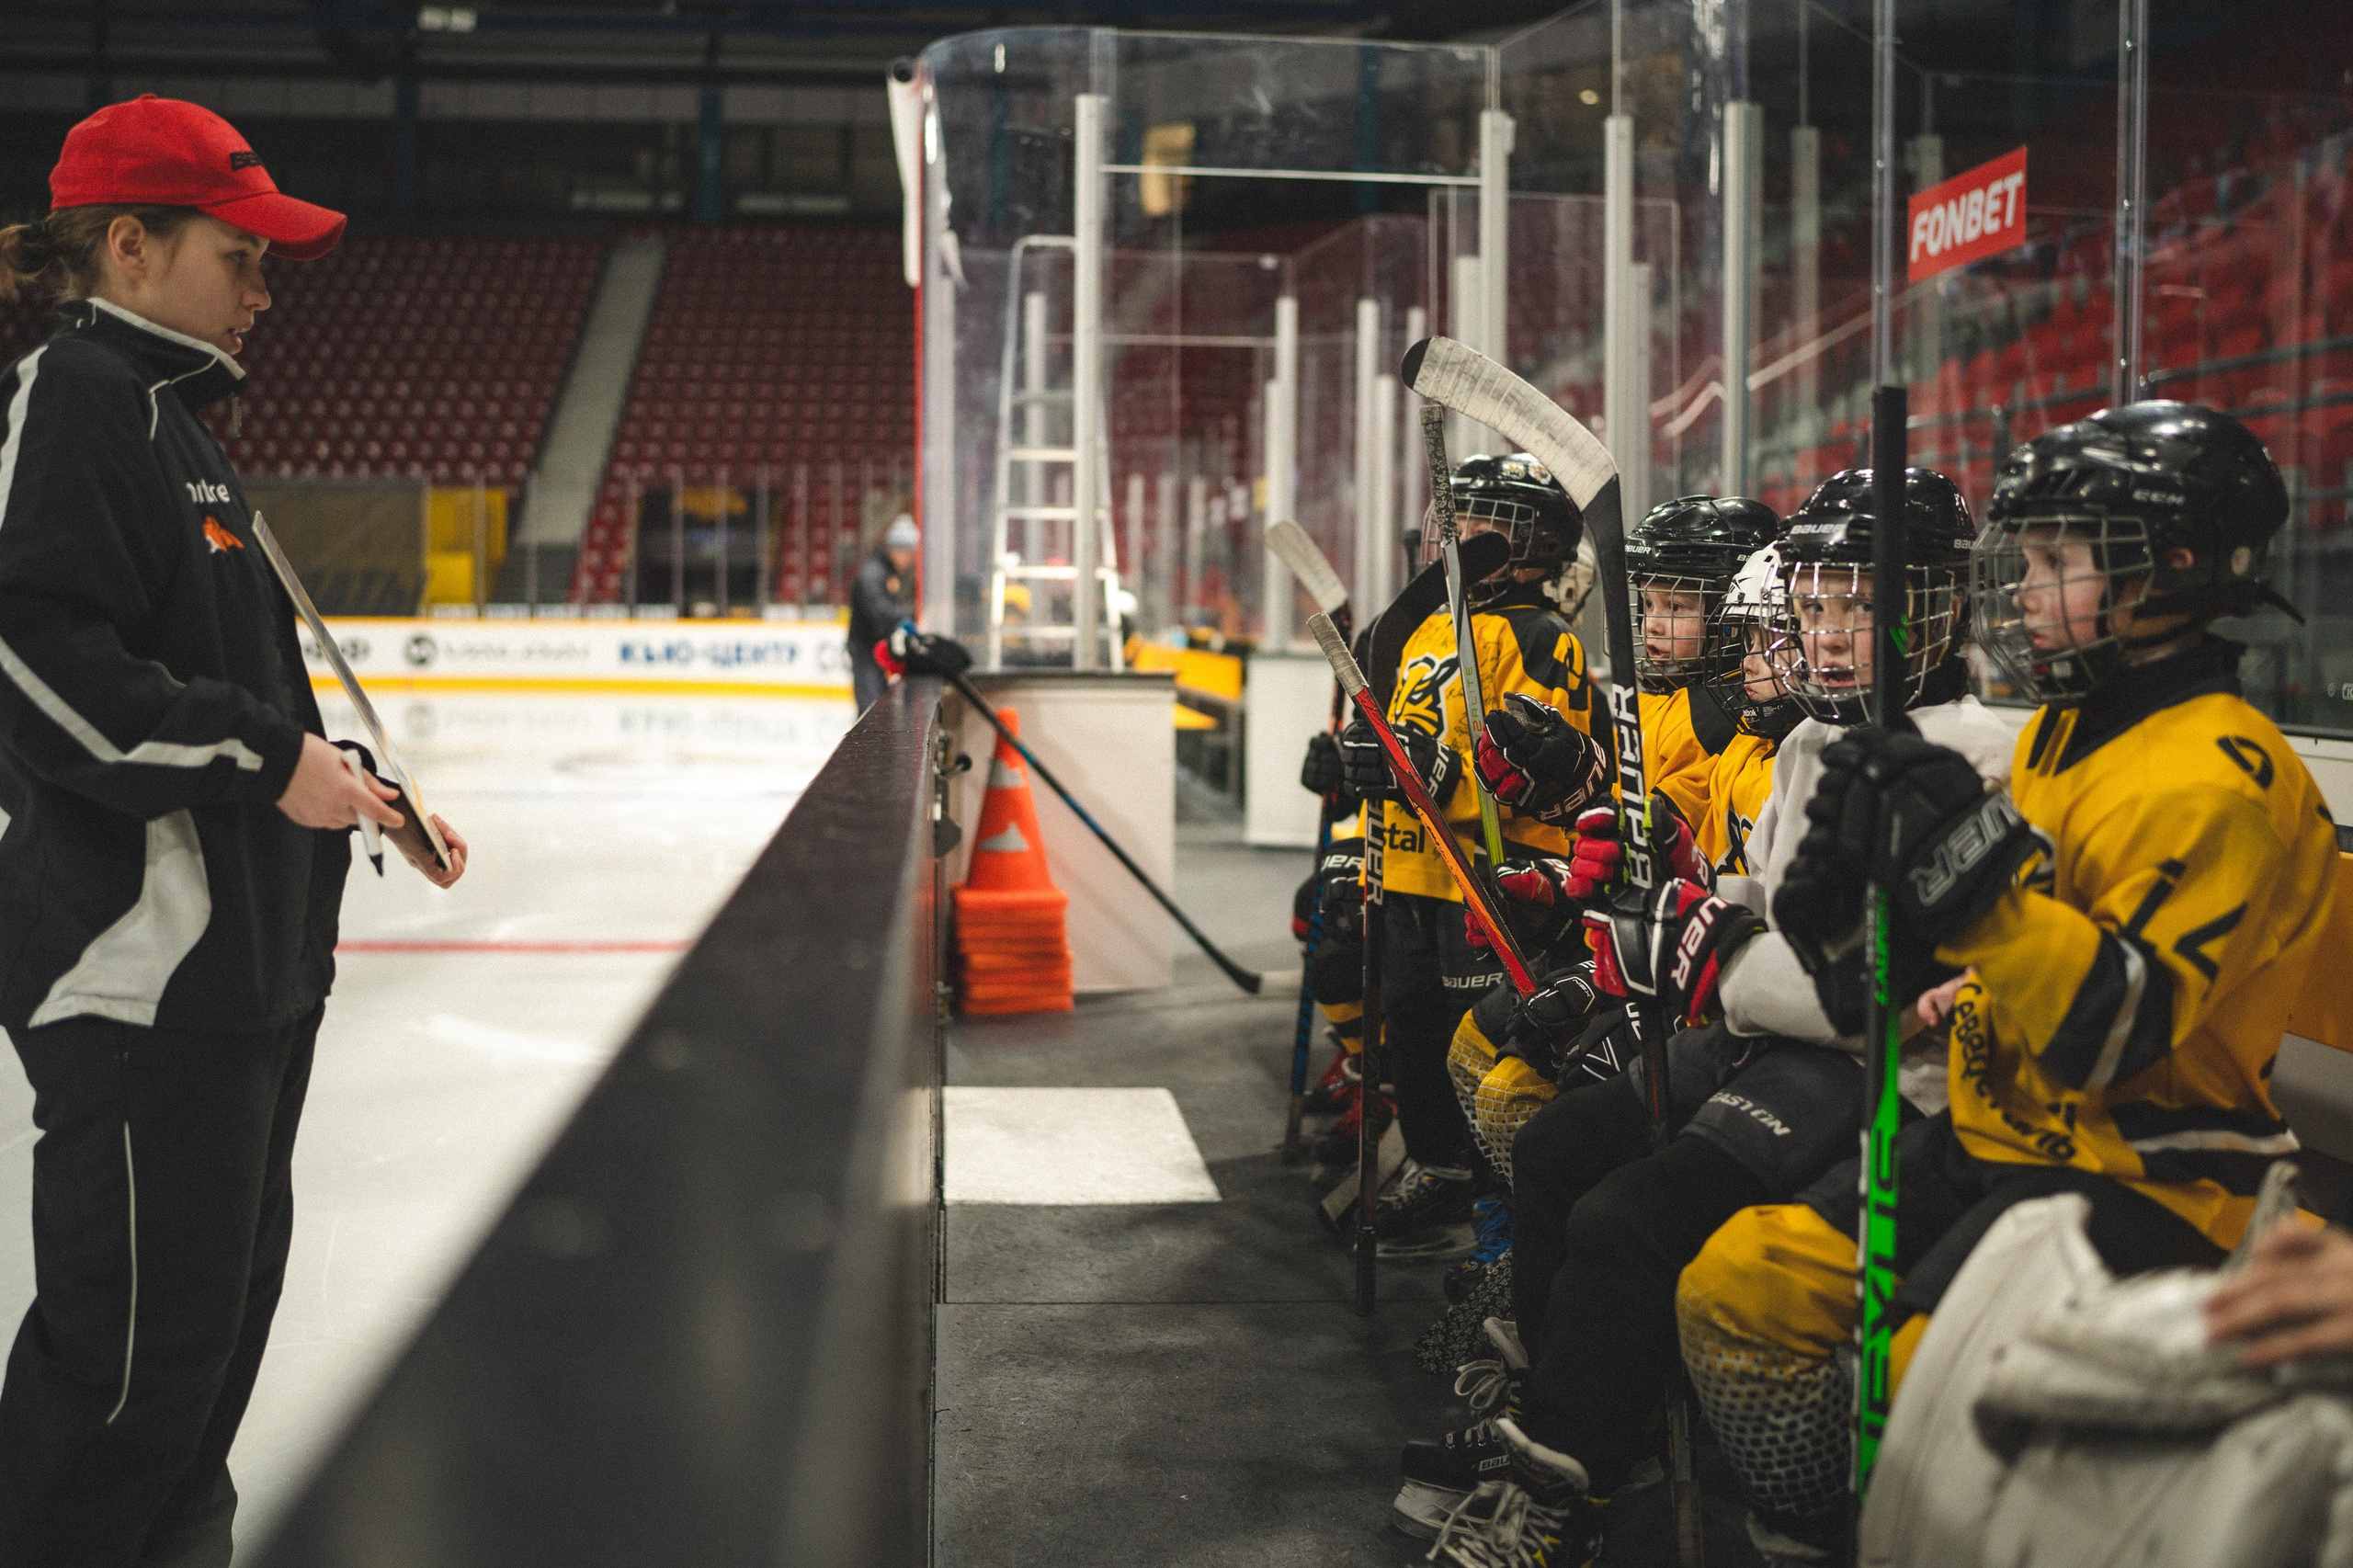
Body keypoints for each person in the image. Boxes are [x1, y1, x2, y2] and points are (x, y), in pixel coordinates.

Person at [1678, 403, 2339, 1562]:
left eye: (2054, 562)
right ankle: (1817, 1528)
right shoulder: (2059, 736)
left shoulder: (2225, 774)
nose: (2023, 592)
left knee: (1926, 1377)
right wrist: (1857, 930)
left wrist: (1964, 883)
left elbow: (2114, 1033)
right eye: (2022, 562)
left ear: (2173, 565)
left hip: (2146, 1174)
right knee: (1740, 1286)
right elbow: (1956, 957)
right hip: (1988, 1140)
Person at [0, 96, 469, 1568]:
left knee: (201, 1365)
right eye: (240, 255)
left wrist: (347, 785)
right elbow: (35, 659)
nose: (265, 291)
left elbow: (220, 698)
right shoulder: (76, 399)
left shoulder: (175, 421)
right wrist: (270, 756)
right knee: (126, 1376)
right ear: (128, 247)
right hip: (146, 989)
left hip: (243, 984)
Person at [1404, 470, 2012, 1562]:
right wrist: (1674, 901)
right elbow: (1769, 906)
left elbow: (1877, 987)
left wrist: (1709, 950)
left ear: (1940, 606)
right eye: (1815, 605)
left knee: (1628, 1216)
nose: (1831, 635)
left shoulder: (1977, 753)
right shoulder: (1809, 743)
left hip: (1877, 1073)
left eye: (1862, 605)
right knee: (1554, 1148)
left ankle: (1570, 1479)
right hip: (1768, 1040)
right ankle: (1584, 1415)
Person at [1336, 454, 1604, 1251]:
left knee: (1475, 1040)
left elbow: (1547, 764)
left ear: (1538, 543)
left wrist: (1450, 771)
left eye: (1490, 520)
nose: (1463, 532)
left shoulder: (1539, 636)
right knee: (1410, 1023)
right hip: (1412, 860)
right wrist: (1358, 758)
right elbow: (1396, 725)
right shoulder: (1421, 624)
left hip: (1493, 875)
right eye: (1459, 516)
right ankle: (1438, 1170)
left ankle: (1496, 1210)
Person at [847, 513, 918, 711]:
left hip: (876, 651)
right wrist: (908, 615)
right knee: (871, 709)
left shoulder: (885, 572)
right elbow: (880, 613)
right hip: (866, 652)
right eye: (910, 554)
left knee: (877, 707)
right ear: (898, 550)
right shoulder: (873, 574)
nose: (911, 561)